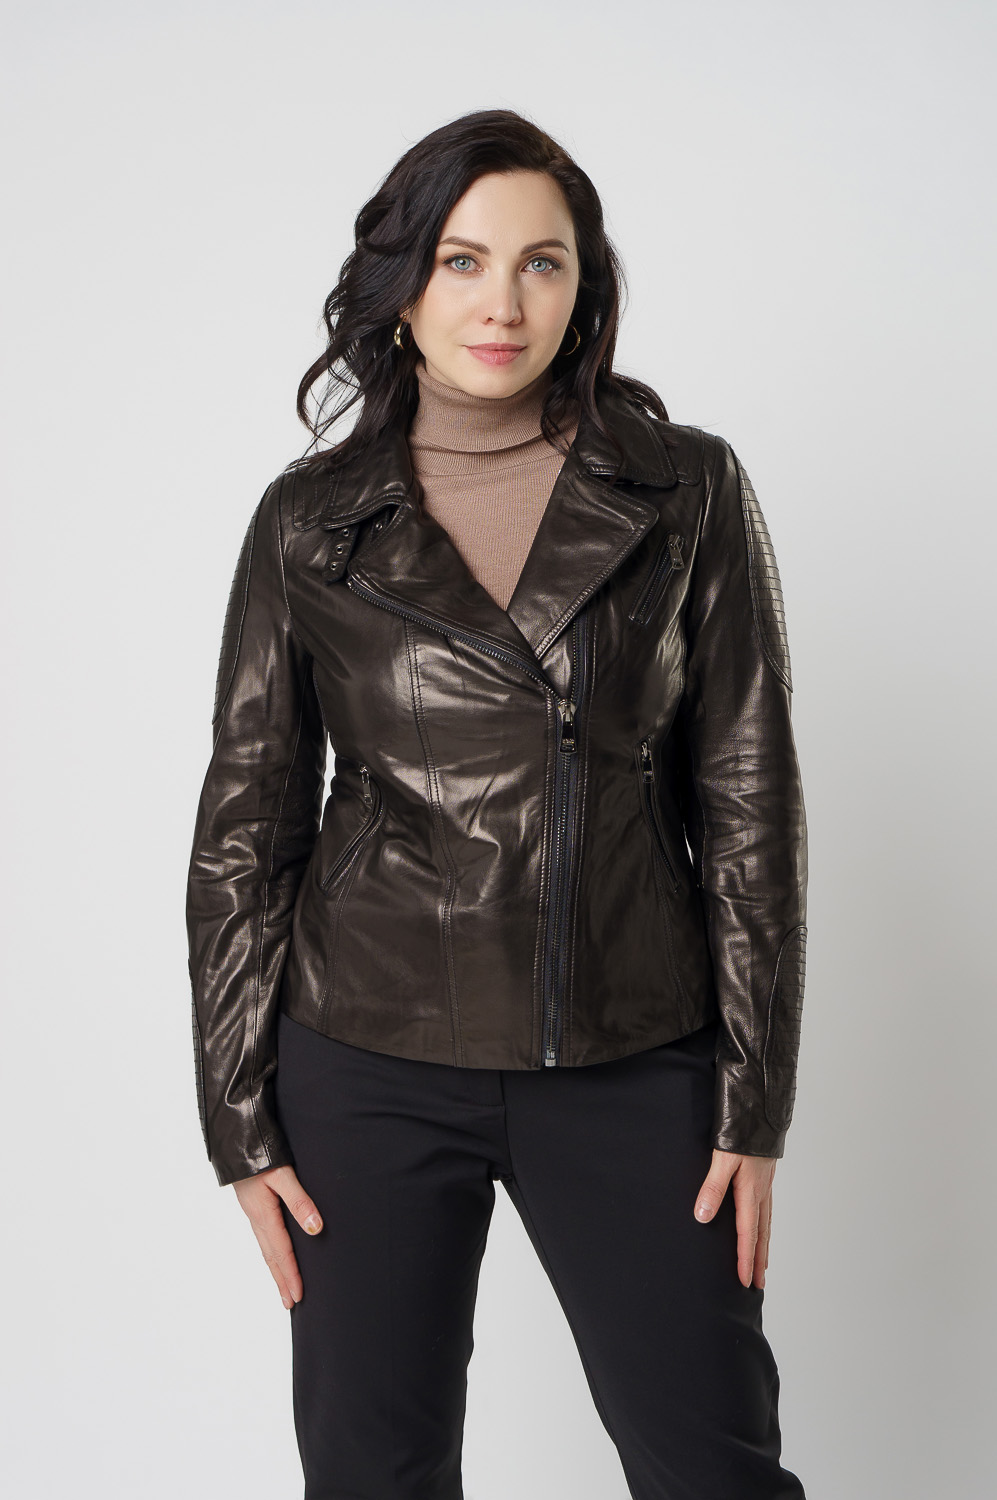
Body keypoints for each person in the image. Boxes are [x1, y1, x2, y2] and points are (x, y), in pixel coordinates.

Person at [186, 107, 809, 1500]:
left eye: (542, 263)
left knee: (713, 1465)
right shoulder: (308, 523)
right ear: (402, 284)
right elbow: (246, 827)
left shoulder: (685, 490)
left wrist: (753, 1100)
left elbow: (749, 803)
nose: (502, 303)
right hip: (365, 1055)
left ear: (584, 287)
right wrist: (239, 1115)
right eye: (462, 260)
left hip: (634, 1044)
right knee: (373, 1473)